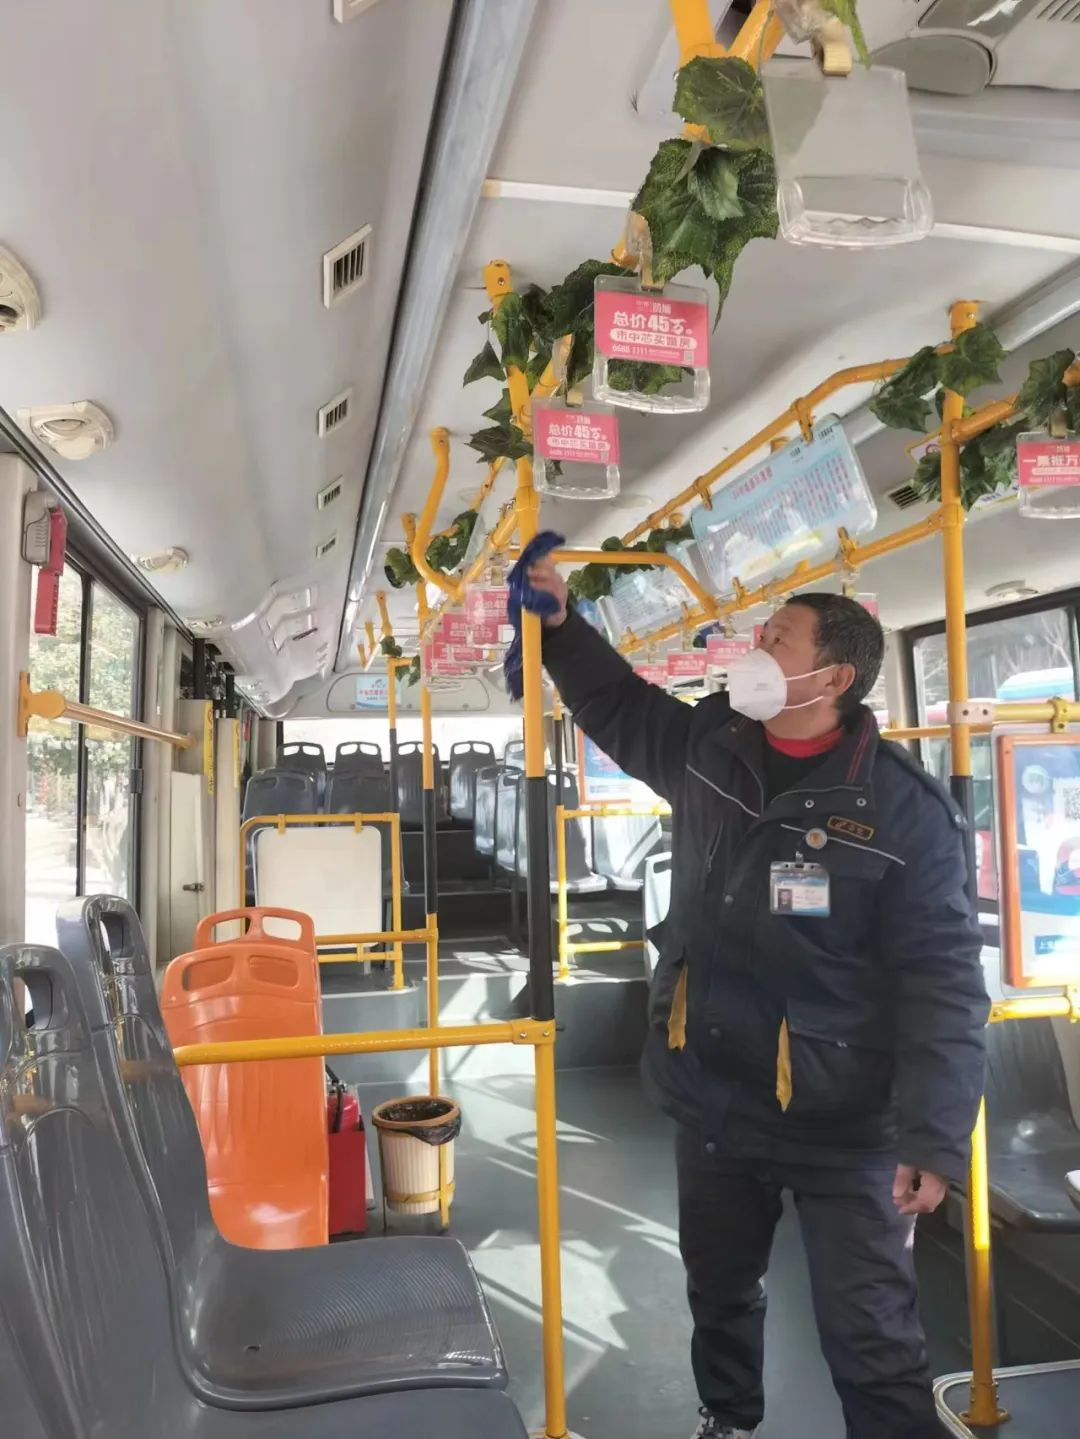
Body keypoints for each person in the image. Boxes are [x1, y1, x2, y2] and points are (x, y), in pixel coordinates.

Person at [529, 559, 989, 1439]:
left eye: (778, 639)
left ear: (834, 678)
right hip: (716, 1091)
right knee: (720, 1291)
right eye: (761, 633)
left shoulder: (903, 811)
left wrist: (935, 1133)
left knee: (871, 1337)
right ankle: (729, 1419)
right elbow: (620, 705)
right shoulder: (715, 743)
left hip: (845, 1121)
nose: (756, 648)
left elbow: (943, 979)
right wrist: (559, 626)